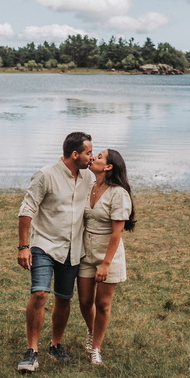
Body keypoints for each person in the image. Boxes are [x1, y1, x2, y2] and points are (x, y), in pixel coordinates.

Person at [15, 131, 94, 374]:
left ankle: (56, 344)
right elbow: (27, 209)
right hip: (44, 245)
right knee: (39, 294)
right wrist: (23, 246)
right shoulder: (45, 175)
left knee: (63, 297)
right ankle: (32, 351)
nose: (91, 157)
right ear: (74, 154)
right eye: (88, 153)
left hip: (73, 248)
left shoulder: (88, 177)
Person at [76, 148, 136, 365]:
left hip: (108, 254)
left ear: (109, 167)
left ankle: (96, 347)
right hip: (86, 252)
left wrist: (105, 264)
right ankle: (92, 331)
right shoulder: (89, 186)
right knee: (84, 301)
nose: (93, 158)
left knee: (102, 303)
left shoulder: (118, 193)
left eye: (99, 157)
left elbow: (117, 233)